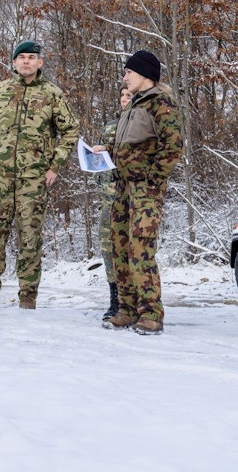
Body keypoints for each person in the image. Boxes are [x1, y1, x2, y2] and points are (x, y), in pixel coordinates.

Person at [0, 41, 80, 309]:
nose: (26, 62)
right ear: (13, 62)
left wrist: (55, 165)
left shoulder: (52, 95)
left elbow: (70, 130)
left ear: (40, 63)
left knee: (30, 237)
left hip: (33, 178)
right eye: (21, 57)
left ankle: (28, 295)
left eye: (31, 58)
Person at [96, 50, 183, 334]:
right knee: (120, 248)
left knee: (140, 249)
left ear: (144, 74)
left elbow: (173, 148)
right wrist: (104, 152)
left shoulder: (162, 105)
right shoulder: (133, 106)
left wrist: (152, 181)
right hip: (122, 188)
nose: (125, 77)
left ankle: (151, 313)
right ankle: (127, 309)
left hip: (144, 191)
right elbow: (129, 147)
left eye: (128, 72)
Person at [95, 86, 137, 320]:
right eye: (121, 95)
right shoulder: (110, 126)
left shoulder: (141, 125)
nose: (124, 99)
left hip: (132, 194)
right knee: (107, 247)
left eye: (129, 95)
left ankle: (135, 298)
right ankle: (115, 299)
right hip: (109, 195)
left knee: (132, 247)